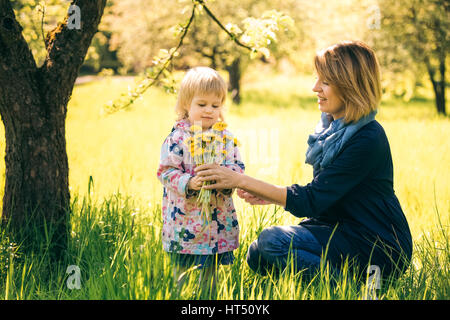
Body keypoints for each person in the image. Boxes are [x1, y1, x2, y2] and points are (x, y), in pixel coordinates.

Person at [194, 41, 413, 280]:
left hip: (375, 245)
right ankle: (334, 282)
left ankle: (355, 289)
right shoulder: (331, 131)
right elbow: (326, 195)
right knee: (257, 253)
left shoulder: (368, 137)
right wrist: (267, 194)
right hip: (339, 230)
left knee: (271, 241)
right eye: (317, 79)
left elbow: (311, 200)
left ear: (350, 86)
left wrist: (239, 180)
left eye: (325, 82)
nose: (315, 88)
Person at [157, 66, 245, 295]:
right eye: (202, 104)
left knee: (210, 271)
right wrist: (189, 182)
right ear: (187, 104)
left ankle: (209, 297)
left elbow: (238, 168)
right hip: (184, 222)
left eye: (215, 106)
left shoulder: (226, 138)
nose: (209, 111)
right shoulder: (178, 137)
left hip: (216, 222)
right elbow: (166, 172)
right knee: (181, 271)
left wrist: (226, 181)